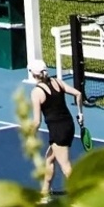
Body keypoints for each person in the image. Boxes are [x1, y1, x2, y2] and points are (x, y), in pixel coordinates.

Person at [29, 58, 85, 199]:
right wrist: (80, 113)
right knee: (49, 159)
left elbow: (36, 122)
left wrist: (30, 136)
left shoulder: (36, 93)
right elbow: (78, 93)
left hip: (58, 131)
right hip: (69, 126)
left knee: (66, 167)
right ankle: (45, 192)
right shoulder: (57, 82)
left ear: (32, 73)